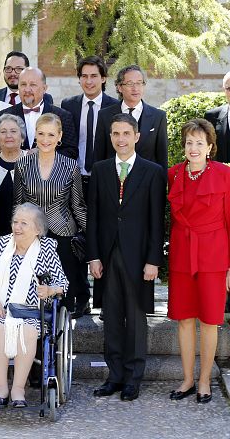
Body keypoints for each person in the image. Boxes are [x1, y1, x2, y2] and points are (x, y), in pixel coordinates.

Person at [88, 113, 166, 402]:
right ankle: (115, 376)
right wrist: (93, 256)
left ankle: (133, 378)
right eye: (115, 134)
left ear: (136, 137)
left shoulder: (152, 171)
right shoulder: (100, 169)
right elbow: (93, 217)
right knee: (110, 317)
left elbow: (157, 220)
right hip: (107, 256)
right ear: (110, 137)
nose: (120, 139)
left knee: (135, 318)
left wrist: (153, 260)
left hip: (138, 257)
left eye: (126, 133)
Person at [0, 203, 68, 407]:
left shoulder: (47, 250)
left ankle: (18, 389)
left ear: (38, 229)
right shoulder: (0, 246)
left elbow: (62, 283)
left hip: (32, 313)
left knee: (28, 331)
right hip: (1, 309)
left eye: (24, 223)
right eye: (15, 222)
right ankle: (1, 388)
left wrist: (50, 290)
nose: (17, 227)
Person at [167, 119, 230, 404]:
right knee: (183, 319)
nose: (193, 148)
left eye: (199, 143)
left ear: (210, 147)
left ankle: (205, 379)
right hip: (182, 253)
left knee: (209, 320)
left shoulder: (225, 175)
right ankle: (188, 380)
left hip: (214, 256)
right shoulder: (173, 174)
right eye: (189, 142)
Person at [13, 113, 88, 313]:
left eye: (51, 134)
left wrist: (91, 236)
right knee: (31, 289)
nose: (46, 140)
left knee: (62, 292)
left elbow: (78, 205)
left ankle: (60, 335)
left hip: (63, 234)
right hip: (30, 235)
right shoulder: (22, 164)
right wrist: (15, 235)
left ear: (59, 136)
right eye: (41, 134)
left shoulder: (71, 166)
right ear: (35, 135)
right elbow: (17, 205)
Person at [61, 56, 120, 199]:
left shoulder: (115, 108)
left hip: (104, 179)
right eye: (84, 76)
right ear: (79, 79)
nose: (89, 81)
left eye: (94, 76)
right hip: (73, 179)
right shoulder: (68, 105)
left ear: (103, 78)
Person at [0, 67, 78, 160]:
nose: (27, 89)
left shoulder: (63, 116)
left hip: (50, 173)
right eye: (23, 84)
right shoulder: (4, 115)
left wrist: (45, 155)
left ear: (44, 88)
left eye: (33, 85)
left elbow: (71, 152)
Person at [93, 65, 168, 168]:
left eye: (139, 83)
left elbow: (162, 158)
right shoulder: (104, 115)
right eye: (130, 84)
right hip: (113, 179)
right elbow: (99, 154)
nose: (135, 88)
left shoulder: (158, 117)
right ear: (119, 87)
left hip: (146, 181)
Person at [0, 114, 28, 237]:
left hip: (26, 234)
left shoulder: (33, 162)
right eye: (3, 132)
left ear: (22, 137)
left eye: (13, 131)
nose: (8, 136)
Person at [203, 70, 230, 163]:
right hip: (220, 175)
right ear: (224, 90)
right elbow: (206, 152)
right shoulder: (211, 117)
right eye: (229, 88)